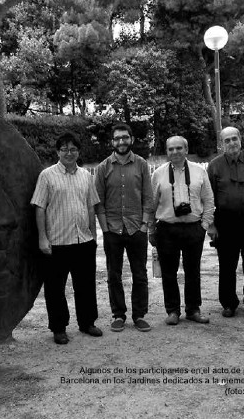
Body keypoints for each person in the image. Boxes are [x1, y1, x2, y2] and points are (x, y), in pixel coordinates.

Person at [31, 132, 102, 344]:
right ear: (57, 152)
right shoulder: (47, 176)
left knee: (86, 285)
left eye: (73, 149)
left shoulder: (86, 176)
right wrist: (42, 239)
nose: (69, 153)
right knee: (55, 288)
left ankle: (87, 322)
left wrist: (93, 234)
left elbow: (90, 206)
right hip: (57, 242)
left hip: (83, 241)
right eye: (64, 149)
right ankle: (59, 328)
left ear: (78, 152)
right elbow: (40, 208)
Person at [94, 123, 154, 332]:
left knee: (140, 274)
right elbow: (98, 201)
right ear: (112, 142)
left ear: (131, 139)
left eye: (125, 137)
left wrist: (145, 225)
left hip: (137, 228)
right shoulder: (103, 167)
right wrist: (105, 229)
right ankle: (118, 314)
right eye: (117, 138)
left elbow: (148, 197)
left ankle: (139, 315)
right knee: (113, 275)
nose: (121, 142)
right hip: (113, 230)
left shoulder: (141, 164)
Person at [149, 136, 214, 326]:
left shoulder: (199, 172)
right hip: (166, 229)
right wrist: (152, 230)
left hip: (193, 228)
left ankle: (193, 309)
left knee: (193, 271)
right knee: (169, 272)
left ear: (186, 149)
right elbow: (152, 205)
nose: (175, 152)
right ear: (167, 151)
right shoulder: (158, 174)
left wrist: (204, 225)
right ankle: (172, 311)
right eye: (171, 149)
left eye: (179, 148)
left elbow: (209, 200)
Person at [206, 127, 244, 318]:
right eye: (227, 140)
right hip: (226, 221)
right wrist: (211, 224)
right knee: (227, 265)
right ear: (221, 144)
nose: (232, 143)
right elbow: (208, 198)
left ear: (240, 139)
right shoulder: (215, 165)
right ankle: (228, 304)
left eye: (234, 139)